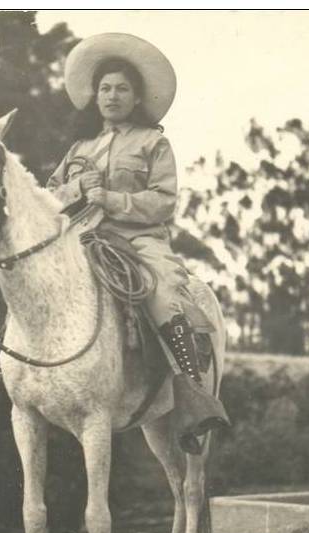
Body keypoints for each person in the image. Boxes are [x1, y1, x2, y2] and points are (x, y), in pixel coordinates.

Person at [45, 32, 229, 451]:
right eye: (105, 88)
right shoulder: (80, 146)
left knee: (162, 294)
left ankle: (191, 394)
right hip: (82, 240)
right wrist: (75, 188)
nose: (112, 96)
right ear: (95, 96)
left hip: (139, 241)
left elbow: (164, 202)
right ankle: (2, 382)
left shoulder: (153, 143)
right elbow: (47, 198)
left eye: (122, 89)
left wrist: (111, 198)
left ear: (136, 97)